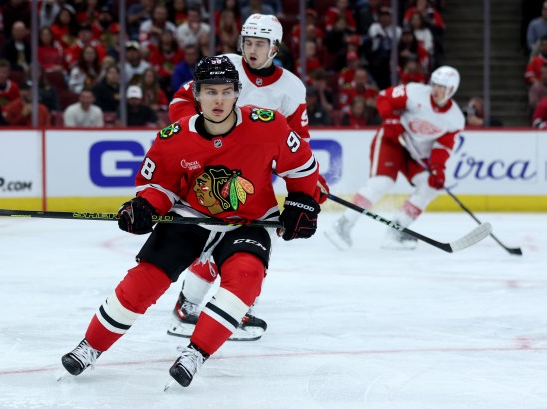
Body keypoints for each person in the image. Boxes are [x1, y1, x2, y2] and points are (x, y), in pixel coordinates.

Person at [60, 56, 320, 388]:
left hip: (249, 221)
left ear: (238, 93)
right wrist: (143, 207)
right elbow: (159, 187)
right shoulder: (172, 138)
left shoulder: (269, 124)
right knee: (144, 281)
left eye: (227, 91)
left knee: (246, 277)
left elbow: (302, 168)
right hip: (190, 218)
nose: (219, 100)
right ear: (196, 93)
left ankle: (195, 353)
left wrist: (302, 202)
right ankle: (89, 347)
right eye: (210, 92)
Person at [166, 13, 328, 341]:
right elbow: (180, 101)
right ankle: (200, 304)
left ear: (275, 47)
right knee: (219, 235)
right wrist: (204, 135)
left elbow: (298, 142)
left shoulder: (291, 88)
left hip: (252, 178)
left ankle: (212, 303)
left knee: (247, 240)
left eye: (261, 43)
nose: (252, 49)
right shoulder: (224, 65)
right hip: (212, 172)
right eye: (249, 42)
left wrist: (309, 182)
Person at [325, 66, 465, 250]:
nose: (436, 90)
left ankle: (396, 232)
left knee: (430, 186)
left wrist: (438, 168)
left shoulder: (455, 119)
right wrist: (390, 118)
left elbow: (443, 147)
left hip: (415, 153)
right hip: (393, 139)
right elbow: (384, 97)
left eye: (442, 87)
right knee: (382, 182)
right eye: (435, 84)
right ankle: (343, 224)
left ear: (452, 90)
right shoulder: (415, 91)